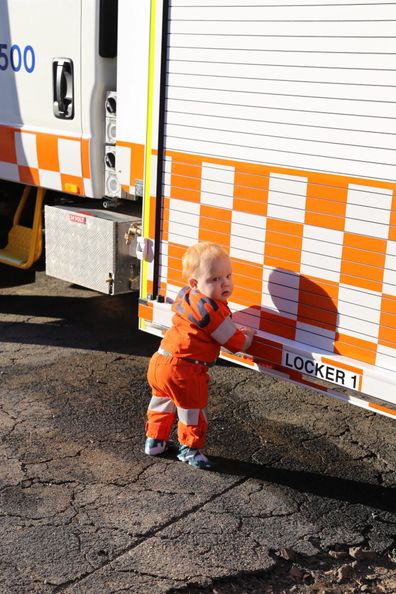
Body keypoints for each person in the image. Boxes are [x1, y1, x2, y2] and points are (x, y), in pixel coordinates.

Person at [144, 241, 255, 469]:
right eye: (214, 279)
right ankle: (189, 450)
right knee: (192, 412)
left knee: (161, 403)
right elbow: (235, 343)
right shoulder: (211, 312)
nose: (224, 283)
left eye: (228, 276)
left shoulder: (188, 296)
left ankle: (154, 442)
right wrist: (249, 337)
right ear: (195, 283)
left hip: (160, 361)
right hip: (185, 371)